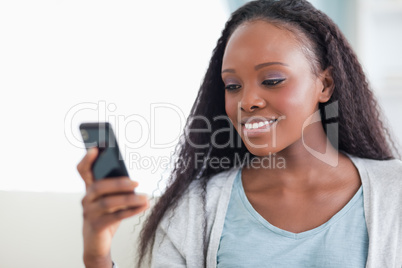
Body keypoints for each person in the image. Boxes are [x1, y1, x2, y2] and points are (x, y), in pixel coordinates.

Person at [77, 0, 402, 267]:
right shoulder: (195, 209)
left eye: (272, 80)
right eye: (232, 85)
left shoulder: (395, 194)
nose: (247, 101)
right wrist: (96, 252)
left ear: (325, 84)